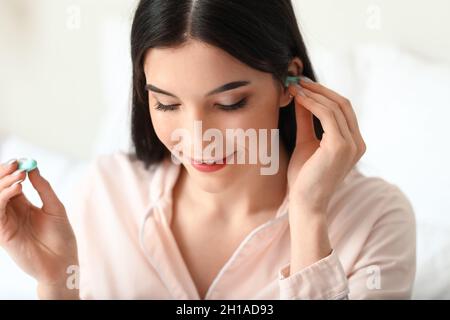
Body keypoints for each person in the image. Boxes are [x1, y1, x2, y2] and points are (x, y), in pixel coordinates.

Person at [0, 0, 415, 299]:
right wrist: (57, 284)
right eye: (166, 103)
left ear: (289, 83)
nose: (198, 139)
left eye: (230, 103)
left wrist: (308, 216)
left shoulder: (376, 219)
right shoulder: (107, 193)